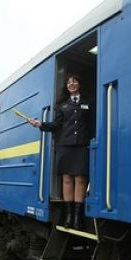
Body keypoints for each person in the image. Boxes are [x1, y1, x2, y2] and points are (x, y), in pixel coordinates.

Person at [28, 74, 93, 230]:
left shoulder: (89, 102)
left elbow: (93, 123)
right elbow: (57, 125)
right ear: (66, 86)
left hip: (82, 145)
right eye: (69, 82)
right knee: (67, 179)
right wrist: (40, 124)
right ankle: (69, 216)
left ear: (79, 84)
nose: (71, 84)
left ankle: (78, 217)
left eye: (74, 81)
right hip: (65, 145)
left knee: (81, 179)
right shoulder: (62, 106)